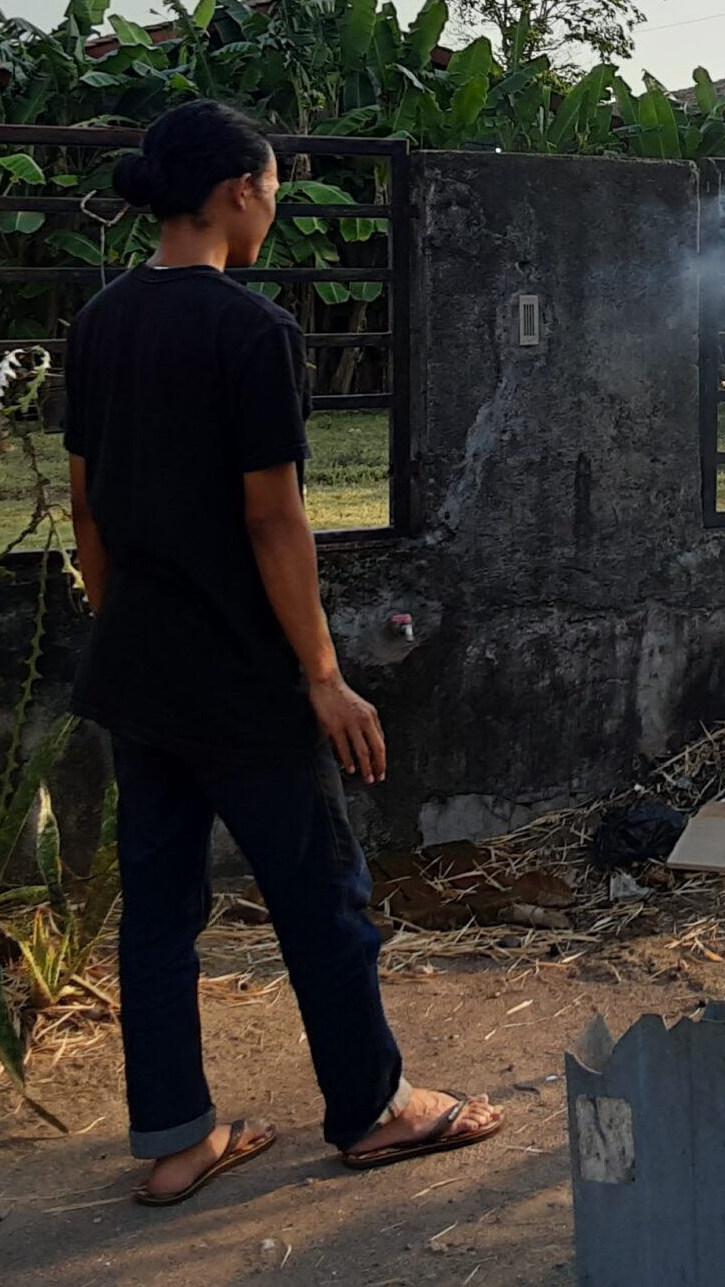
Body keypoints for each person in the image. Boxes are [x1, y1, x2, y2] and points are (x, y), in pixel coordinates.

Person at [66, 100, 502, 1205]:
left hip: (137, 669)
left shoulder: (102, 321)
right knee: (321, 897)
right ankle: (373, 1108)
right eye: (271, 190)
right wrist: (319, 672)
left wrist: (125, 626)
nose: (273, 208)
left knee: (159, 909)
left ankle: (175, 1142)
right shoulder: (252, 333)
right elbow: (275, 520)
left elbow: (87, 512)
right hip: (242, 678)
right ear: (235, 195)